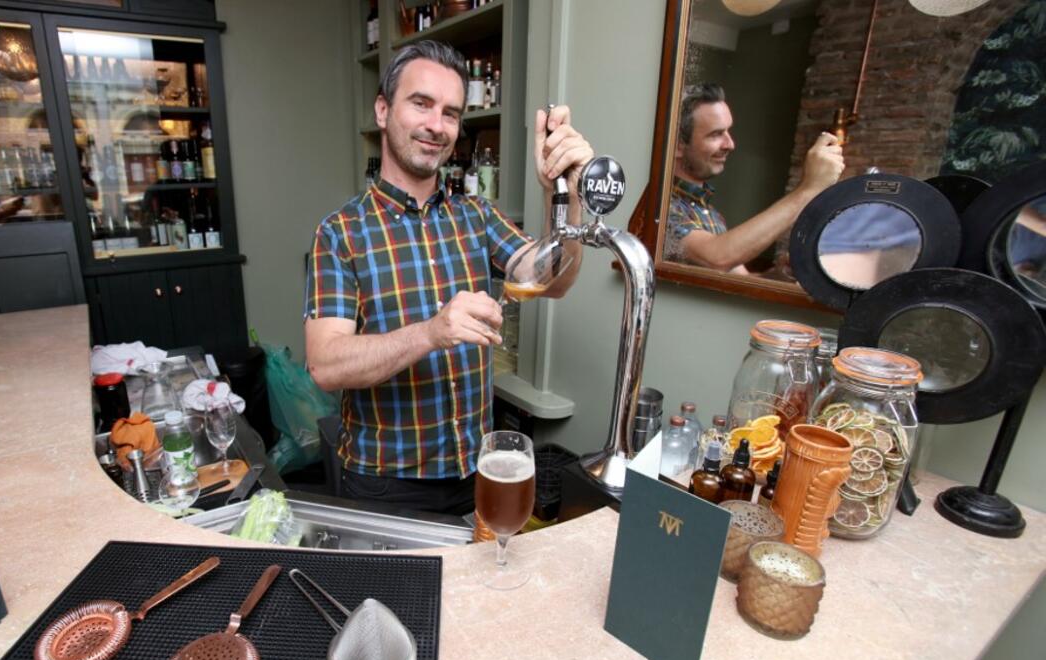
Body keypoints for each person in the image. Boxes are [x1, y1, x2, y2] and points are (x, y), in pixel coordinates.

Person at [303, 40, 593, 515]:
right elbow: (326, 366)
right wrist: (432, 332)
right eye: (421, 104)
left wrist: (565, 194)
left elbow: (551, 279)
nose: (437, 125)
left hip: (474, 474)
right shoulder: (340, 232)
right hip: (384, 484)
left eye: (452, 113)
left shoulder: (476, 215)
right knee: (391, 596)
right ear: (383, 110)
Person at [664, 83, 845, 274]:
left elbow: (737, 277)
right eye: (716, 134)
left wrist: (777, 275)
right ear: (678, 145)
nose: (730, 144)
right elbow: (717, 258)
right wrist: (809, 189)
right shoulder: (662, 207)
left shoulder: (709, 213)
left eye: (728, 131)